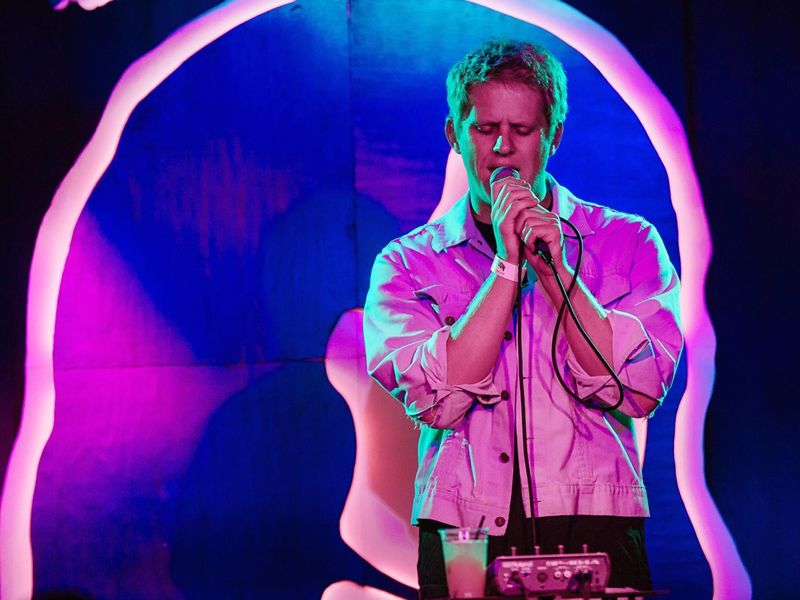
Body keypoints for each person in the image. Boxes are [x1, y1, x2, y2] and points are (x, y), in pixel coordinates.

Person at [363, 39, 683, 599]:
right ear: (454, 136)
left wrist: (556, 271)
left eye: (523, 130)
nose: (503, 148)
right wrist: (507, 269)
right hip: (466, 531)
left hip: (595, 518)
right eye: (486, 129)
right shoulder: (406, 262)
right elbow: (438, 397)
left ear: (553, 136)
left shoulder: (628, 241)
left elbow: (638, 386)